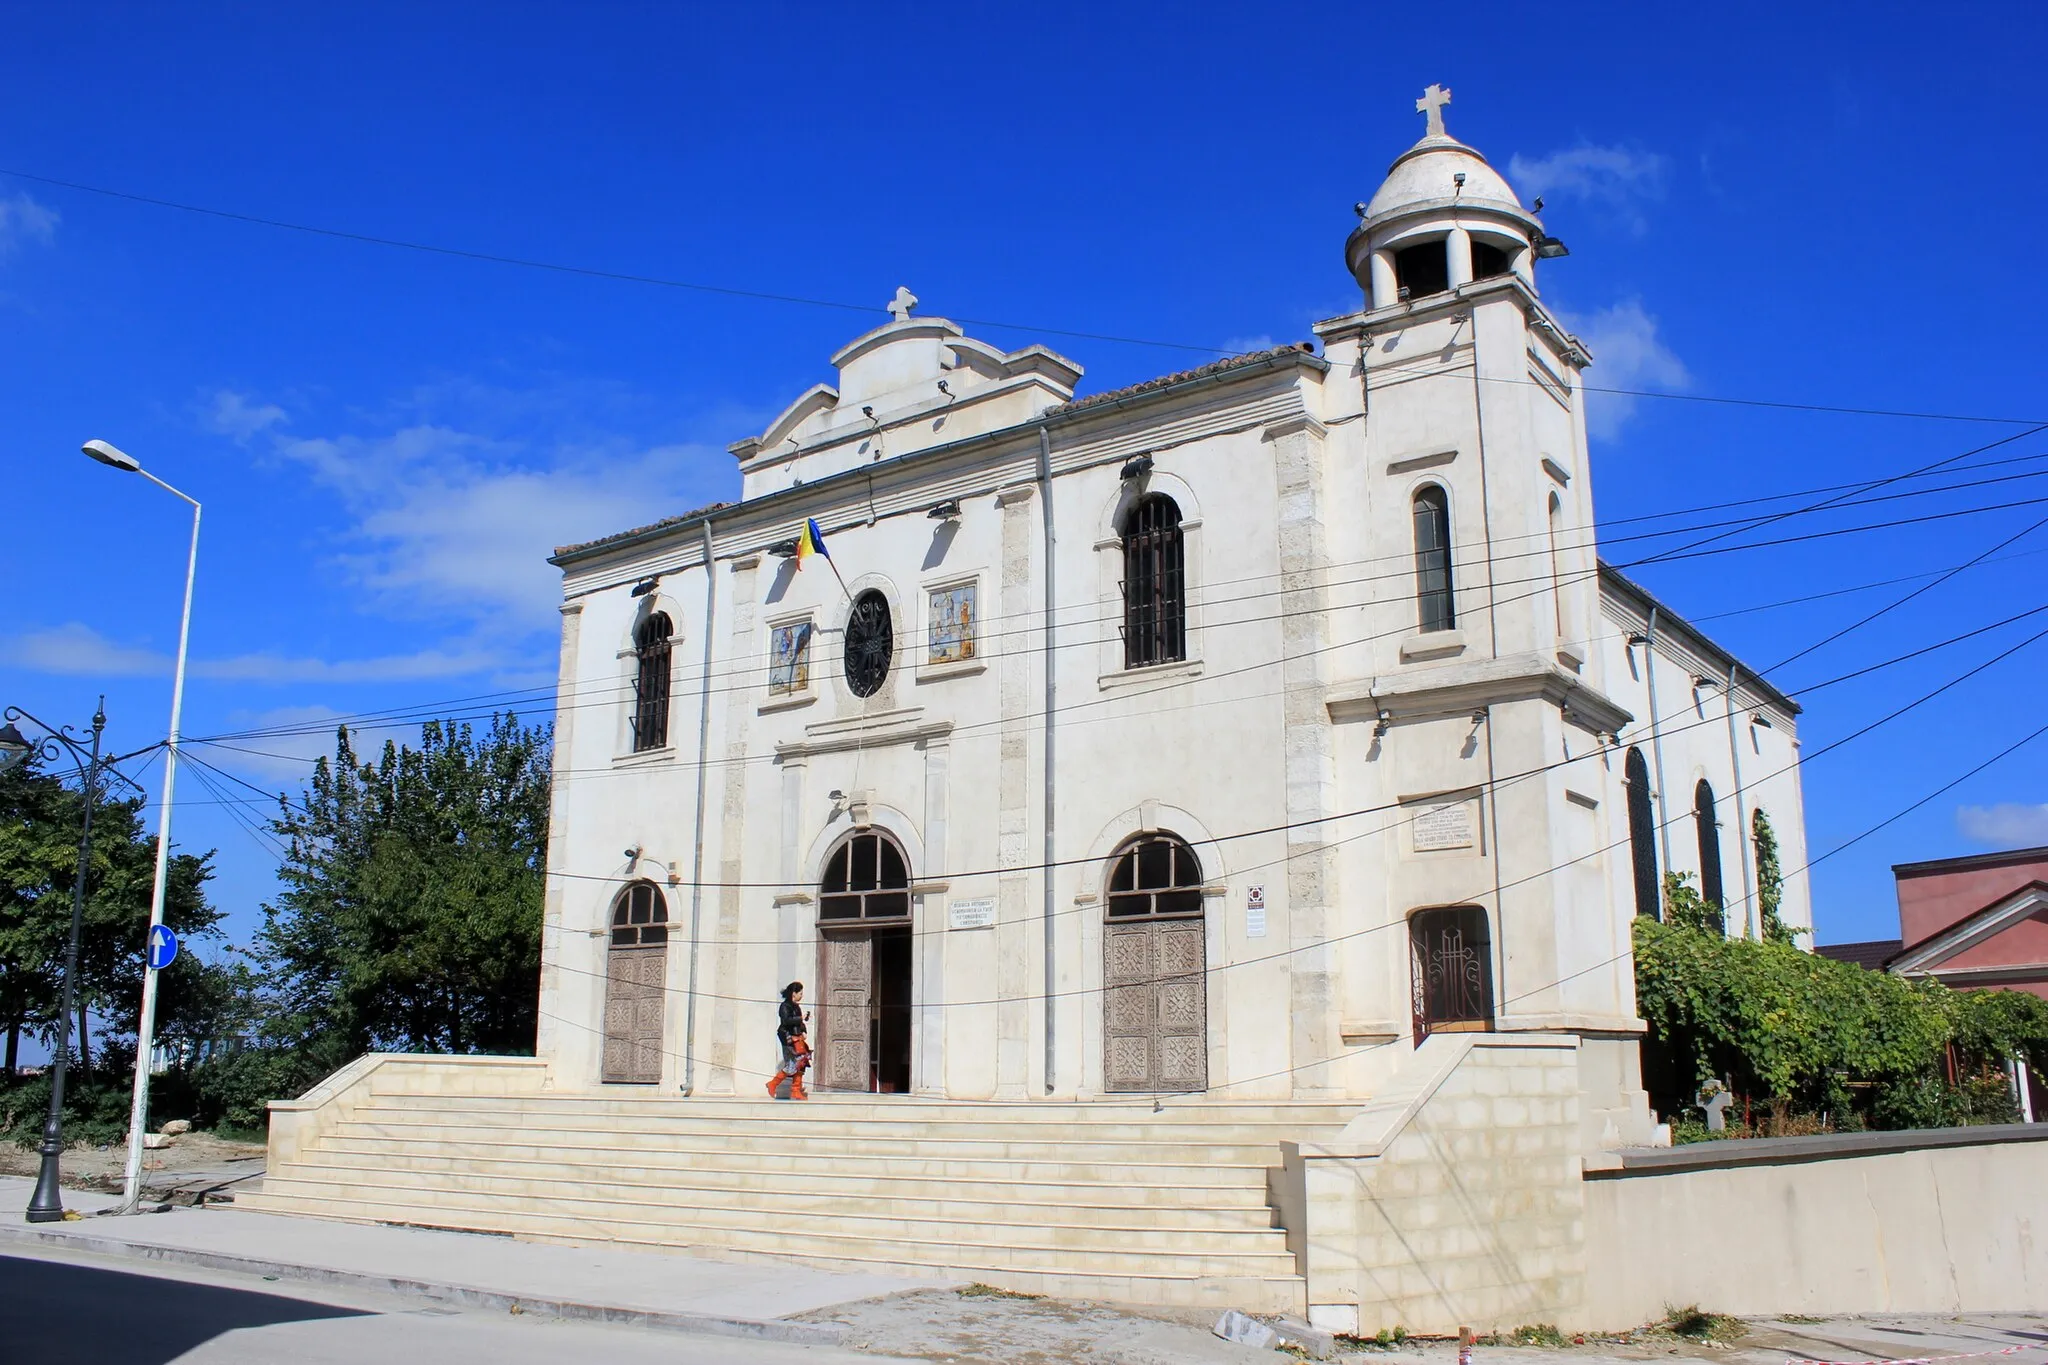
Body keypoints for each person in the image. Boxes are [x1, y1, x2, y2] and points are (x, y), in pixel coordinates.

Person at [767, 981, 810, 1101]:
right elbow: (786, 1021)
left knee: (800, 1063)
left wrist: (803, 1030)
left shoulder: (796, 1006)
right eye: (800, 993)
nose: (801, 995)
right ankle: (774, 1084)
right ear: (794, 993)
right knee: (792, 1065)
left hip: (797, 1038)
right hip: (788, 1039)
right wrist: (800, 1018)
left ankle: (795, 1090)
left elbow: (799, 1023)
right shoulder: (785, 1006)